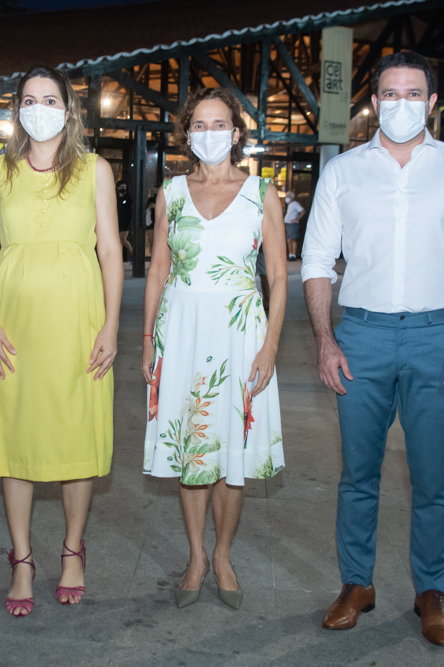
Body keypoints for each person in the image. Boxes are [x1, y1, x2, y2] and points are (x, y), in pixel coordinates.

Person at [301, 51, 444, 647]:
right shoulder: (342, 172)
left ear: (432, 103)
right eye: (390, 94)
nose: (401, 104)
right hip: (360, 334)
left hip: (436, 336)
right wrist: (325, 340)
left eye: (413, 94)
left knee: (432, 478)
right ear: (374, 102)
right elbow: (316, 263)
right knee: (357, 475)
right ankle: (356, 585)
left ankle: (430, 593)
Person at [0, 64, 122, 617]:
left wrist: (110, 325)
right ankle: (23, 559)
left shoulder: (94, 170)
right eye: (29, 99)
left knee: (75, 434)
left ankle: (73, 549)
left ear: (68, 109)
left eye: (50, 99)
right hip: (12, 324)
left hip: (78, 323)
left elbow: (110, 250)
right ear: (18, 111)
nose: (39, 108)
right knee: (17, 434)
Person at [141, 87, 286, 611]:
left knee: (231, 452)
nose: (208, 133)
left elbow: (276, 276)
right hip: (180, 333)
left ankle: (223, 555)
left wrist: (269, 347)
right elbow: (158, 267)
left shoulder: (262, 193)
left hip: (239, 333)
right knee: (192, 451)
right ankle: (196, 557)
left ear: (237, 132)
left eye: (218, 123)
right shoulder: (171, 193)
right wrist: (146, 340)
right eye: (198, 125)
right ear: (186, 134)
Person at [284, 191, 305, 260]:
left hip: (292, 224)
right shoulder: (290, 205)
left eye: (288, 197)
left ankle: (293, 255)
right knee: (289, 240)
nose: (286, 198)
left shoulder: (295, 204)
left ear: (291, 197)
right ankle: (290, 254)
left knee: (292, 239)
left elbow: (303, 211)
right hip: (288, 224)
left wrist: (296, 219)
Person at [116, 179, 133, 260]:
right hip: (118, 222)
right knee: (119, 241)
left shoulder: (128, 197)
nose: (123, 189)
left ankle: (133, 254)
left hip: (126, 222)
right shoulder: (117, 197)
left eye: (124, 187)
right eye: (122, 187)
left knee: (123, 239)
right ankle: (119, 258)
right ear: (118, 188)